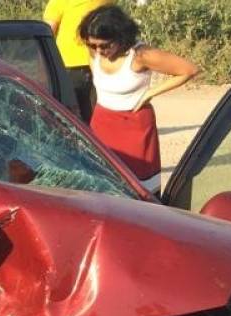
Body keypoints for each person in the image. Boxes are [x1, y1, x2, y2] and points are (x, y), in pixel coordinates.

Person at [81, 5, 197, 193]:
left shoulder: (140, 55)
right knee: (102, 183)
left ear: (121, 37)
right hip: (102, 122)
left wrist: (151, 93)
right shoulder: (94, 52)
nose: (99, 50)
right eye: (93, 45)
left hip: (133, 125)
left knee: (138, 188)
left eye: (105, 45)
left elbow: (189, 70)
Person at [43, 0, 113, 122]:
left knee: (69, 116)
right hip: (100, 62)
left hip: (69, 64)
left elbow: (47, 32)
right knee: (97, 113)